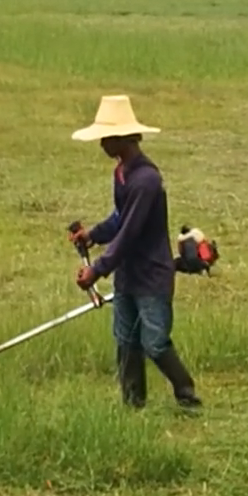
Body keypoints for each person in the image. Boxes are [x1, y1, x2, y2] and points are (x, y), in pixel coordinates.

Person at [69, 95, 203, 415]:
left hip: (152, 275)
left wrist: (97, 269)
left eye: (106, 137)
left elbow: (128, 232)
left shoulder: (146, 180)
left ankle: (186, 394)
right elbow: (119, 219)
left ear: (123, 138)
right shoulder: (123, 173)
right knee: (126, 341)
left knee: (154, 342)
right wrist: (93, 235)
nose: (102, 144)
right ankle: (133, 404)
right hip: (129, 273)